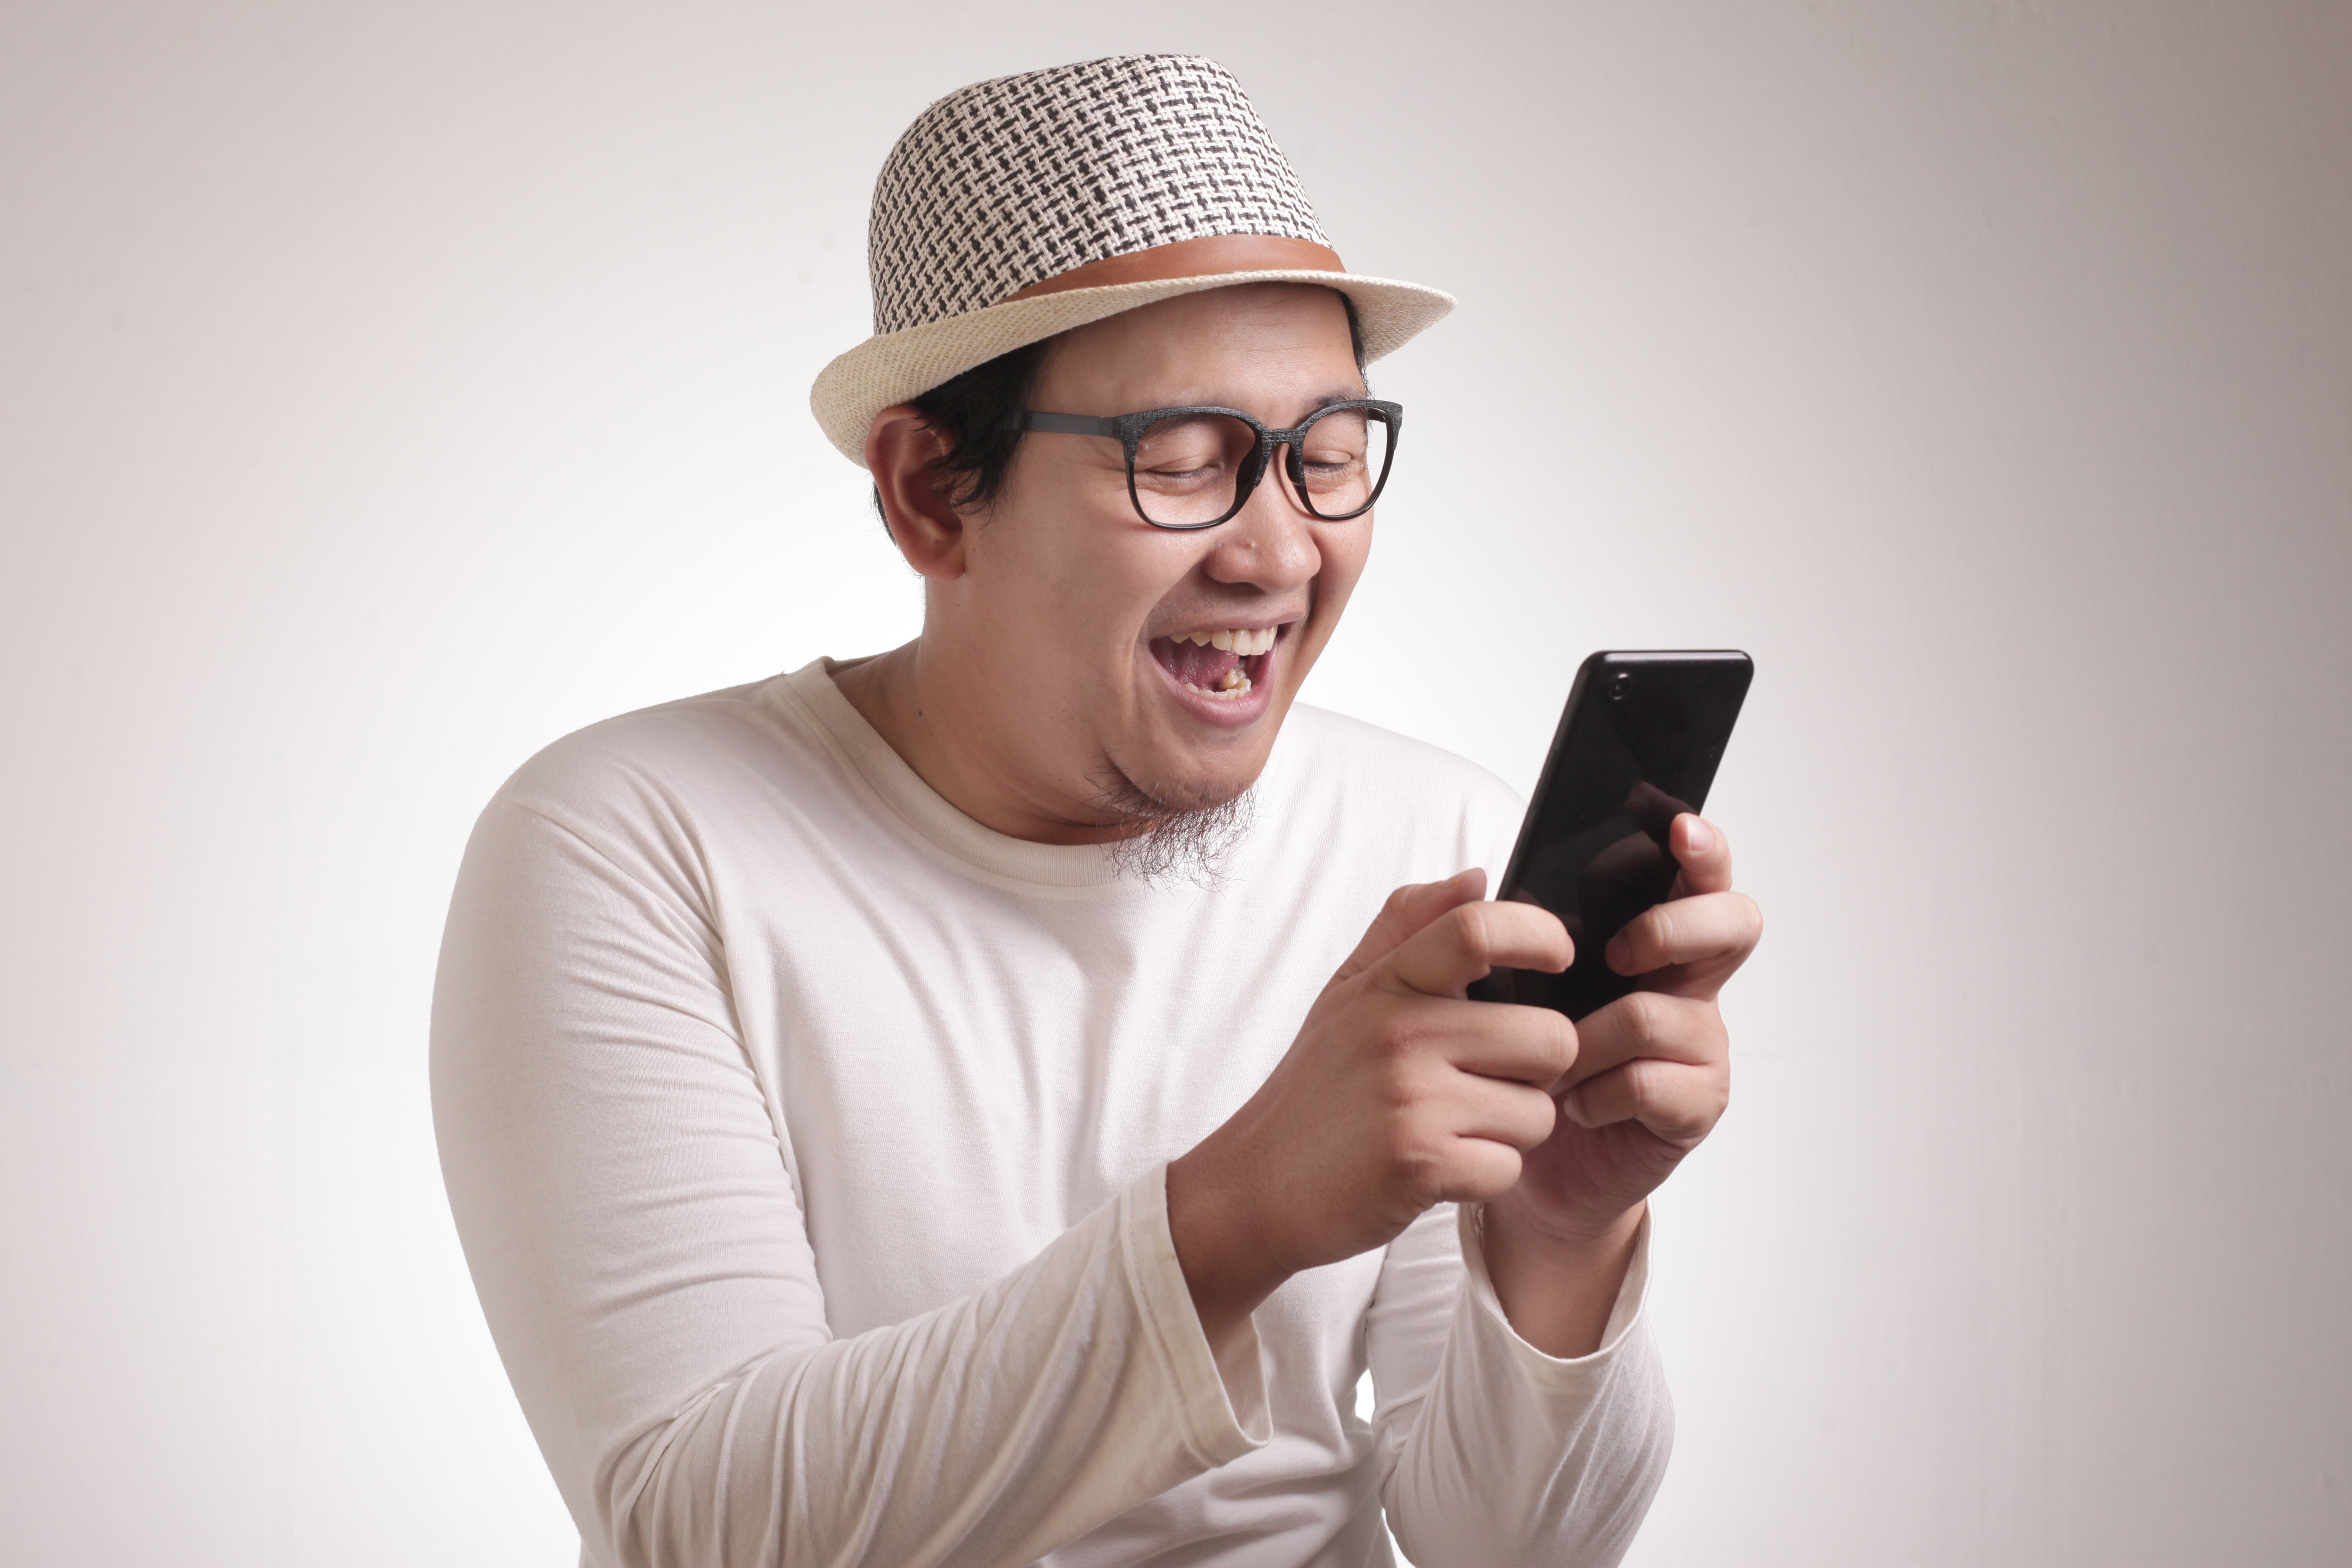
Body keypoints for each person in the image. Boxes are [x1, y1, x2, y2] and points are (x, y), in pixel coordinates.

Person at [431, 54, 1761, 1568]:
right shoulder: (634, 842)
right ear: (933, 491)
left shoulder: (1426, 844)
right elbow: (700, 1525)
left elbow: (1503, 1549)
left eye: (1330, 461)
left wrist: (1563, 1237)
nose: (1282, 553)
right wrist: (1241, 1213)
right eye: (1185, 463)